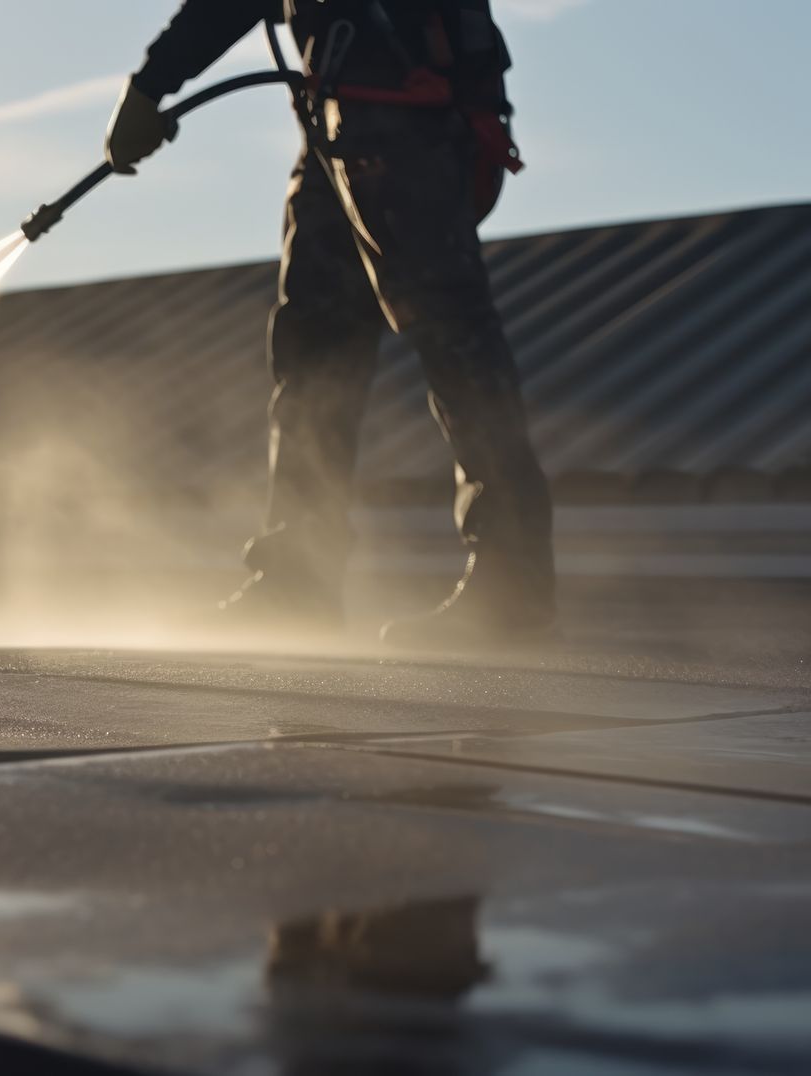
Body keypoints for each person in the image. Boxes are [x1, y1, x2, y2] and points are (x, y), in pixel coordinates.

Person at [106, 1, 555, 648]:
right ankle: (295, 585)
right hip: (340, 120)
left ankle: (513, 590)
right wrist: (152, 83)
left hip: (408, 110)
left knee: (452, 334)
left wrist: (152, 85)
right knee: (313, 356)